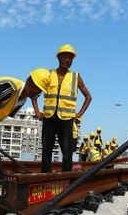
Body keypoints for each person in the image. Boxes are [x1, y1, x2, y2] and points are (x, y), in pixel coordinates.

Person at [32, 44, 92, 173]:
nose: (68, 60)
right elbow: (34, 94)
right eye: (65, 57)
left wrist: (80, 113)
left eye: (70, 58)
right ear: (59, 58)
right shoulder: (48, 74)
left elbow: (88, 97)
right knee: (46, 151)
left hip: (66, 120)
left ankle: (66, 178)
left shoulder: (76, 77)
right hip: (49, 118)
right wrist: (37, 111)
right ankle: (45, 177)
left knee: (67, 152)